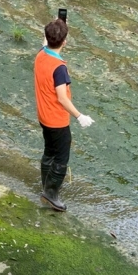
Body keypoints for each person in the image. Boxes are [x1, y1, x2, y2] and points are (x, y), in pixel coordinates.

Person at [34, 17, 93, 213]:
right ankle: (51, 194)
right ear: (65, 42)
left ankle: (45, 185)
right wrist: (79, 116)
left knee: (49, 151)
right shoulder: (59, 69)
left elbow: (46, 41)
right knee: (61, 157)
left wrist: (59, 22)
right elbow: (62, 98)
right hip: (56, 120)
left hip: (43, 116)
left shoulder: (41, 55)